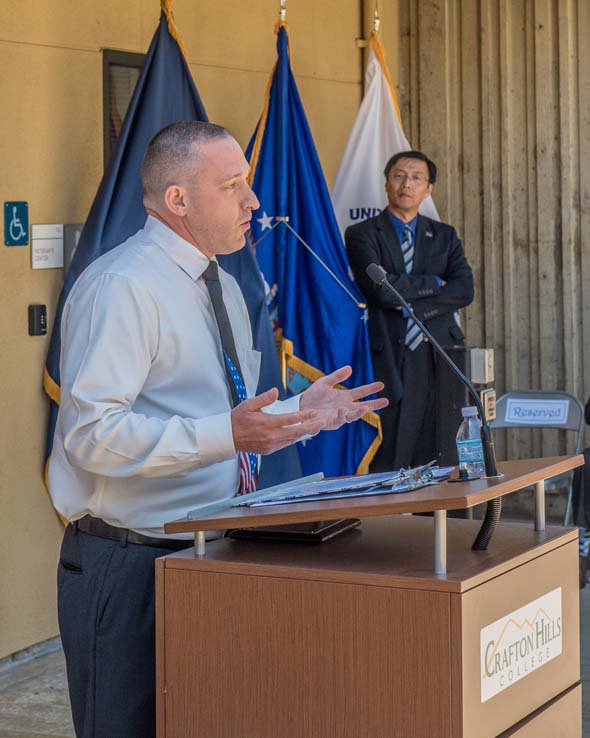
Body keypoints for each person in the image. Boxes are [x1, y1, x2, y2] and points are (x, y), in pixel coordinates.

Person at [48, 120, 388, 738]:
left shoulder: (225, 285)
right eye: (233, 185)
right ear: (178, 200)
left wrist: (297, 414)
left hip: (214, 557)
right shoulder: (124, 287)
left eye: (248, 183)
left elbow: (220, 415)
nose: (253, 202)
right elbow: (91, 437)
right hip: (131, 566)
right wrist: (228, 436)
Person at [345, 150, 474, 472]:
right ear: (387, 182)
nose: (407, 184)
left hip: (440, 350)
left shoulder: (444, 235)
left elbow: (464, 290)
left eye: (417, 178)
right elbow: (380, 291)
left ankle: (439, 517)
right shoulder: (361, 233)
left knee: (440, 440)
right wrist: (433, 282)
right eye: (399, 175)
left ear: (428, 189)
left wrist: (412, 305)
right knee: (391, 443)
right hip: (388, 349)